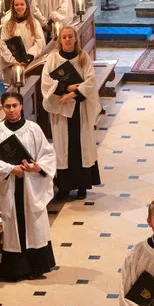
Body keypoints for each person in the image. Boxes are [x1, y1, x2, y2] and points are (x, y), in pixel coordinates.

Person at [0, 90, 56, 282]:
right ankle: (16, 269)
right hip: (11, 186)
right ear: (3, 108)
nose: (11, 110)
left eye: (15, 105)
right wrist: (10, 169)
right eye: (7, 106)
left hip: (31, 185)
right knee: (13, 224)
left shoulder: (33, 129)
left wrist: (36, 167)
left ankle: (37, 266)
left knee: (34, 223)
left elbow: (48, 154)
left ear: (21, 106)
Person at [41, 25, 100, 199]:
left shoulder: (83, 58)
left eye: (70, 36)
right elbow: (46, 81)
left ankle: (82, 186)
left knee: (80, 146)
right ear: (60, 40)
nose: (67, 40)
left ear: (75, 39)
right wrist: (64, 88)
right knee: (63, 148)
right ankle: (65, 187)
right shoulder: (53, 58)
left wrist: (73, 94)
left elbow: (90, 81)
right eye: (64, 37)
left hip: (80, 109)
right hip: (61, 111)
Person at [0, 0, 45, 85]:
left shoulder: (34, 23)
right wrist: (13, 61)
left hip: (30, 62)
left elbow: (40, 41)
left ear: (26, 5)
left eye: (22, 4)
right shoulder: (7, 24)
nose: (19, 7)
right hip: (13, 65)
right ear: (13, 7)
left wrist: (30, 55)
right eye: (16, 5)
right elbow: (3, 45)